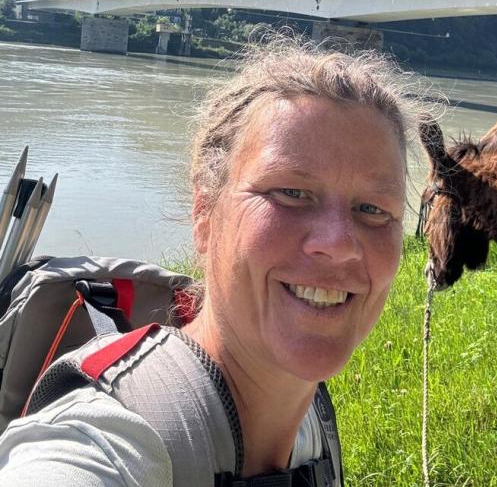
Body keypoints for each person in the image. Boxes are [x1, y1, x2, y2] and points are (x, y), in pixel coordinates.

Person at [0, 35, 421, 485]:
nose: (338, 243)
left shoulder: (312, 423)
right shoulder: (102, 440)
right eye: (291, 193)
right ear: (204, 214)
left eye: (374, 209)